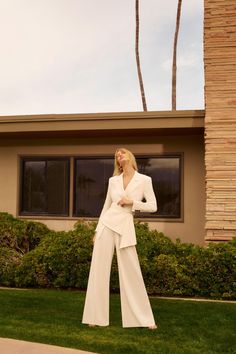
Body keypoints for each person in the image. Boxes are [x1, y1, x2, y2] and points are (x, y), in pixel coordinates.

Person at [82, 148, 158, 329]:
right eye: (116, 155)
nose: (119, 155)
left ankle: (144, 320)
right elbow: (106, 206)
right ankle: (95, 318)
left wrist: (132, 202)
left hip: (125, 226)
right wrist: (97, 231)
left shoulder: (145, 180)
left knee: (132, 271)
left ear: (130, 156)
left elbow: (153, 206)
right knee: (98, 271)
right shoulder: (113, 181)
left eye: (121, 152)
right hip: (107, 224)